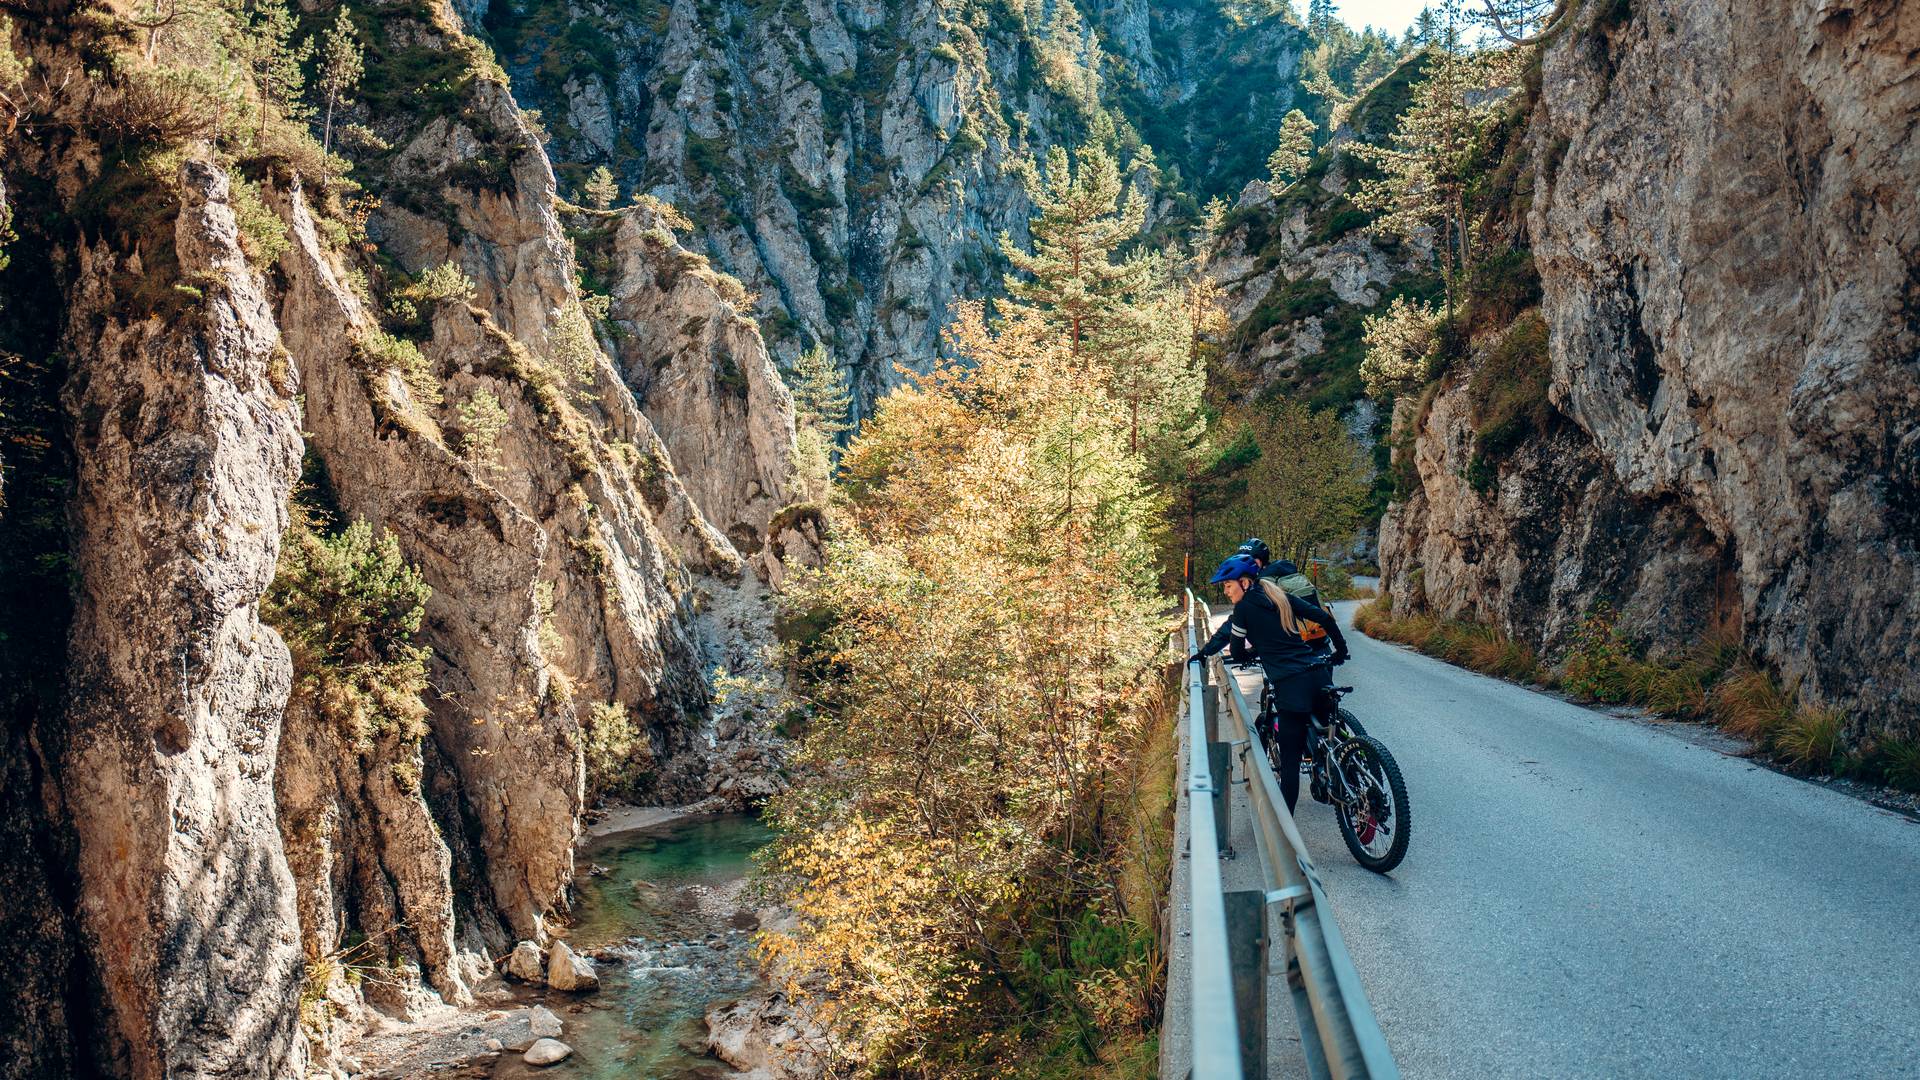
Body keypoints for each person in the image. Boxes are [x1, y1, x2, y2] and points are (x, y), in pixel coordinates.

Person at [1190, 554, 1350, 811]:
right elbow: (1324, 618)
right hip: (1318, 672)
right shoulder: (1279, 597)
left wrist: (1247, 655)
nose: (1226, 592)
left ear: (1244, 582)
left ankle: (1283, 842)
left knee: (1289, 764)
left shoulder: (1244, 610)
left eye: (1228, 586)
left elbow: (1238, 650)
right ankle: (1354, 774)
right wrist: (1340, 652)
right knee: (1329, 735)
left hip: (1291, 685)